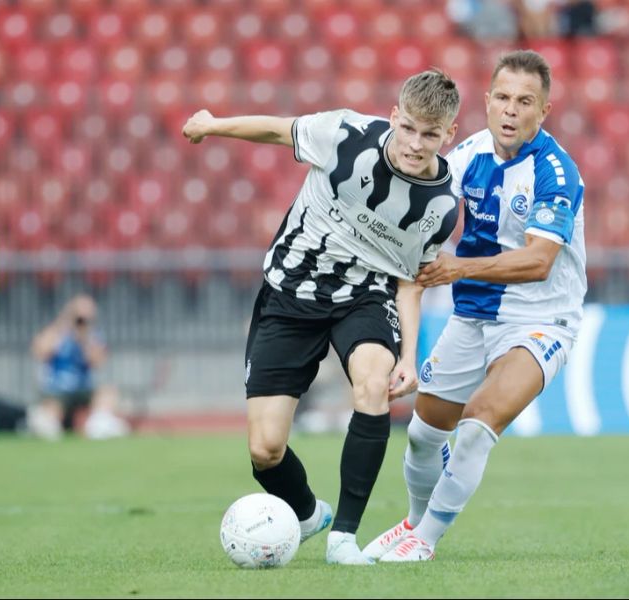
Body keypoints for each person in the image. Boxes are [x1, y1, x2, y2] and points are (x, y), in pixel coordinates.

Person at [181, 70, 461, 565]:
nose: (417, 144)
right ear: (394, 116)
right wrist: (212, 123)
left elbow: (410, 280)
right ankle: (310, 516)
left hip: (363, 296)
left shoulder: (440, 204)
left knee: (373, 386)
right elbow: (277, 130)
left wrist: (409, 357)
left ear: (449, 135)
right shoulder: (345, 134)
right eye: (410, 128)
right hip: (289, 293)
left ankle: (344, 540)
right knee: (265, 451)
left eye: (431, 134)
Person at [362, 50, 587, 562]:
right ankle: (413, 522)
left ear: (544, 111)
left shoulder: (556, 173)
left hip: (540, 321)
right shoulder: (467, 156)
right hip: (472, 315)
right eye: (503, 98)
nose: (511, 110)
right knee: (422, 435)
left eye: (524, 101)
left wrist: (457, 268)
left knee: (479, 420)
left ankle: (426, 541)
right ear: (486, 103)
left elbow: (538, 262)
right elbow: (422, 227)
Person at [29, 294, 129, 440]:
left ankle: (99, 425)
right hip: (57, 389)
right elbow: (39, 351)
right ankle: (46, 423)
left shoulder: (93, 336)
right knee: (51, 412)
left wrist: (84, 339)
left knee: (107, 392)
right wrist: (63, 325)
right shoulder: (57, 333)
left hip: (83, 388)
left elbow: (97, 361)